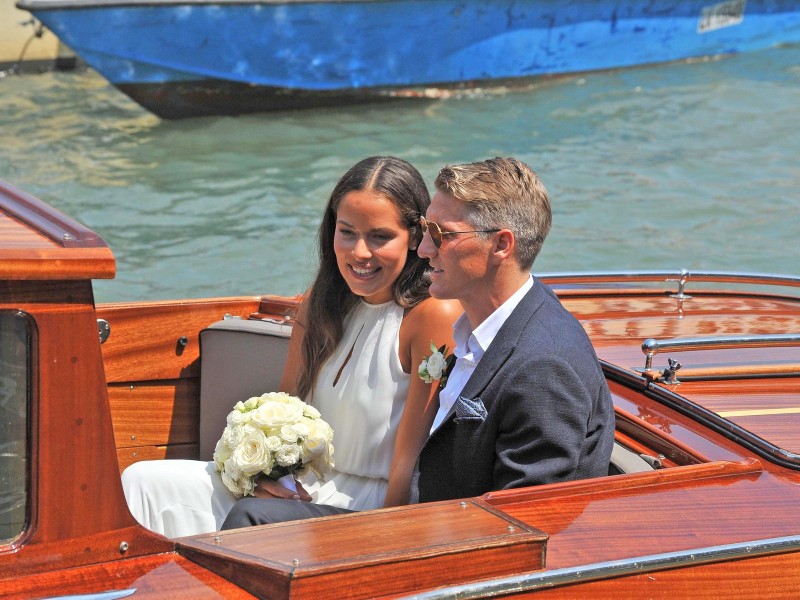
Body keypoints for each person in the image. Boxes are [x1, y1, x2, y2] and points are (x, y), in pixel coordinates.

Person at [221, 156, 614, 529]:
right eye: (427, 231)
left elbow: (524, 524)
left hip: (426, 547)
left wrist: (392, 544)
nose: (424, 250)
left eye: (441, 235)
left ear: (501, 245)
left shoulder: (542, 365)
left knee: (250, 520)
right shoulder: (478, 335)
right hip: (415, 527)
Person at [122, 156, 461, 537]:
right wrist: (264, 478)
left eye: (379, 237)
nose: (359, 253)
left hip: (365, 510)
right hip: (296, 493)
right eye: (347, 232)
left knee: (250, 517)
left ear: (415, 236)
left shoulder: (432, 315)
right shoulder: (323, 301)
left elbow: (409, 462)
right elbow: (285, 406)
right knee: (142, 482)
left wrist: (385, 541)